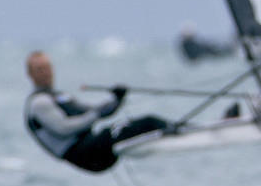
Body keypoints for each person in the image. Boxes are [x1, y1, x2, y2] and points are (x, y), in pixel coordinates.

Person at [23, 51, 168, 173]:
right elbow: (64, 129)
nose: (45, 73)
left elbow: (92, 111)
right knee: (146, 122)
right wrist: (98, 113)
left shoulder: (61, 95)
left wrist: (116, 100)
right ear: (30, 74)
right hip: (84, 155)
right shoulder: (38, 103)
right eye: (39, 69)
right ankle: (171, 130)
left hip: (91, 146)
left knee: (141, 123)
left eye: (47, 68)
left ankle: (169, 129)